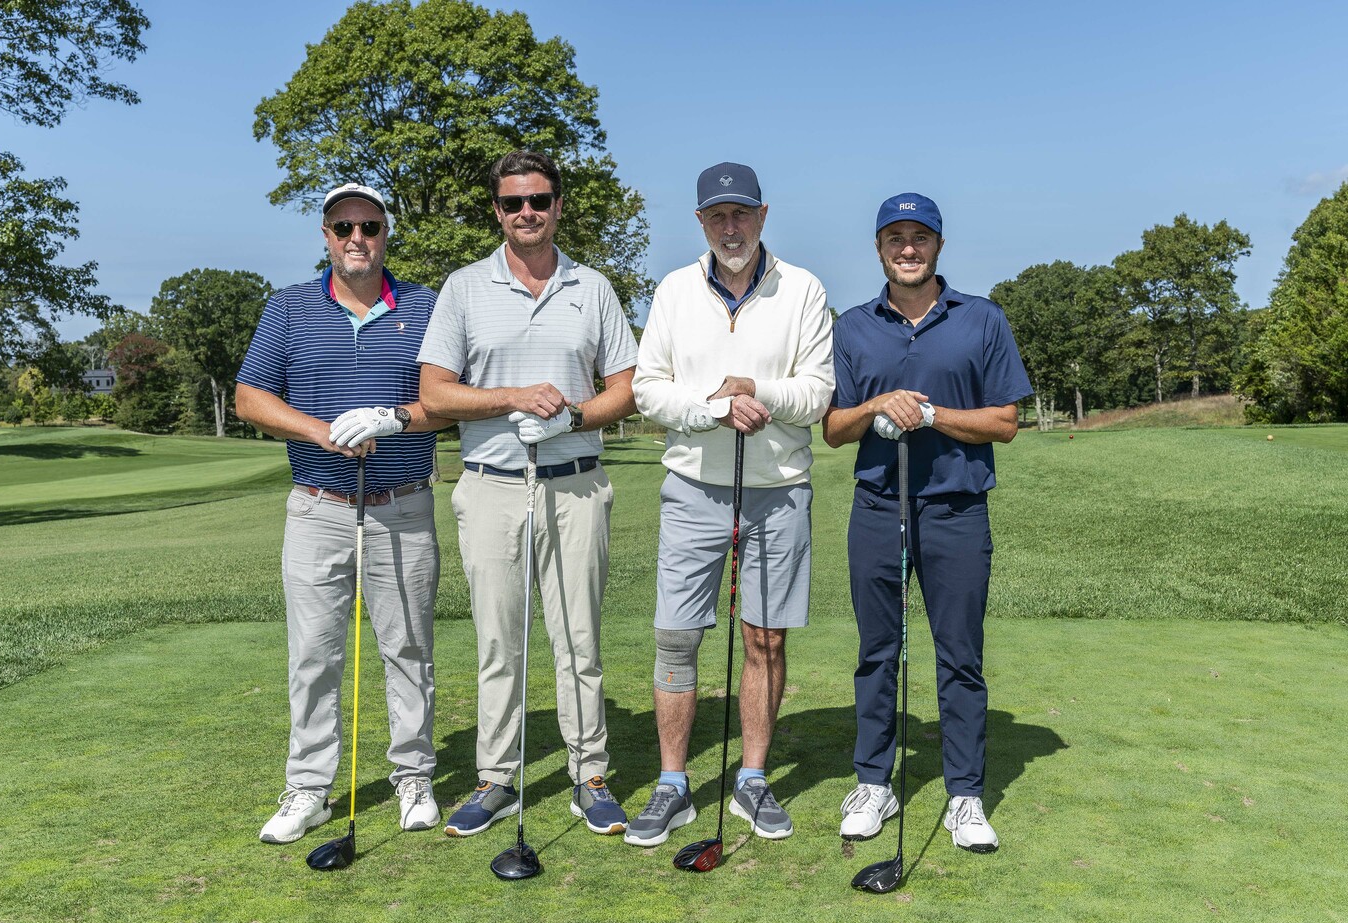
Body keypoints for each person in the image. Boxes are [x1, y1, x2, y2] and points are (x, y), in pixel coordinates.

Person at [417, 150, 638, 837]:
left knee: (579, 641)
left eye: (539, 200)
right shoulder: (463, 288)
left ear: (558, 206)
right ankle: (496, 778)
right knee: (498, 643)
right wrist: (512, 397)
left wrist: (571, 416)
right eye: (513, 203)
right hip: (492, 487)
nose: (527, 213)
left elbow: (627, 389)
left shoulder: (592, 288)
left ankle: (589, 774)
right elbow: (435, 393)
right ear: (497, 211)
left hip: (575, 486)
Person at [236, 181, 454, 844]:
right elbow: (249, 397)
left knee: (409, 649)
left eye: (369, 226)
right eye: (343, 227)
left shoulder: (427, 306)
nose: (357, 238)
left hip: (403, 505)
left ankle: (414, 776)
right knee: (313, 656)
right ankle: (309, 789)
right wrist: (320, 431)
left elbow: (450, 402)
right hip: (318, 508)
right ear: (326, 237)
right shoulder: (290, 307)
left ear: (386, 232)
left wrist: (391, 418)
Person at [626, 162, 834, 846]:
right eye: (717, 216)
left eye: (742, 213)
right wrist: (712, 407)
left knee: (765, 638)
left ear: (763, 215)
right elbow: (649, 389)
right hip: (693, 487)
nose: (731, 227)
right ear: (700, 222)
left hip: (779, 490)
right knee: (677, 636)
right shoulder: (674, 290)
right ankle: (672, 784)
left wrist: (758, 391)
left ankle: (751, 778)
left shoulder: (802, 289)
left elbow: (817, 393)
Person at [822, 193, 1032, 851]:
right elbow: (834, 428)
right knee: (877, 652)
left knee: (959, 655)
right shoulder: (852, 327)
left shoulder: (982, 319)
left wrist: (932, 415)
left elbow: (1005, 422)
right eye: (895, 238)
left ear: (938, 245)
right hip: (878, 507)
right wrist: (877, 405)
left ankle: (965, 795)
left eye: (920, 237)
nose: (907, 248)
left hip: (956, 509)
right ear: (879, 247)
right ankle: (873, 782)